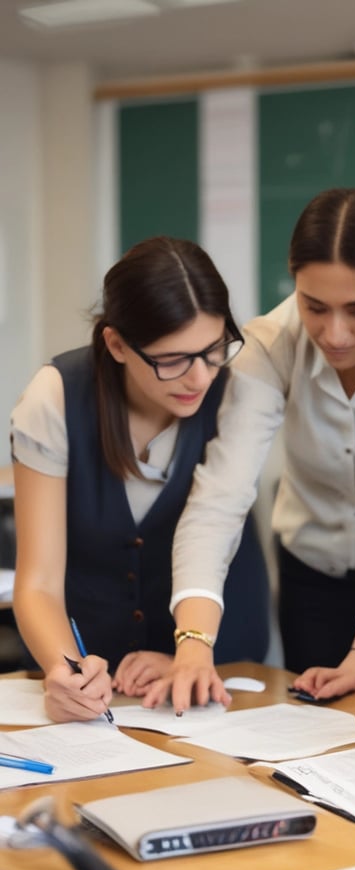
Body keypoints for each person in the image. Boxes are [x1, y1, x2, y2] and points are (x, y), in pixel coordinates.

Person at [142, 187, 355, 714]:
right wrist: (194, 644)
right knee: (313, 732)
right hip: (313, 573)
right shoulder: (271, 343)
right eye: (313, 306)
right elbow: (221, 497)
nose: (334, 334)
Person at [11, 236, 270, 723]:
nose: (199, 378)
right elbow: (39, 581)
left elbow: (215, 522)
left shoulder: (239, 390)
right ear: (116, 344)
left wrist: (188, 655)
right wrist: (67, 671)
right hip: (98, 682)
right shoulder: (57, 398)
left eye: (213, 350)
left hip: (217, 658)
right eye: (173, 360)